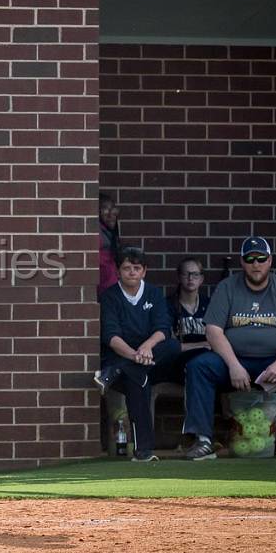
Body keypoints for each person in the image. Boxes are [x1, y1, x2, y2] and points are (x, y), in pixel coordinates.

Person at [183, 237, 276, 460]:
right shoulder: (227, 287)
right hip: (233, 361)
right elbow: (213, 331)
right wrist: (233, 365)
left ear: (270, 261)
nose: (256, 264)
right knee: (199, 366)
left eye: (261, 258)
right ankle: (203, 440)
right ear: (242, 262)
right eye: (250, 259)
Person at [94, 247, 181, 462]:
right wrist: (134, 356)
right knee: (139, 379)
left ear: (144, 271)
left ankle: (115, 372)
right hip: (122, 355)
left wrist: (146, 348)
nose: (131, 272)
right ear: (118, 271)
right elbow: (111, 336)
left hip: (149, 354)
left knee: (172, 346)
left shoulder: (153, 293)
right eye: (126, 268)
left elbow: (163, 329)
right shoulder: (110, 296)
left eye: (136, 268)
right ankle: (143, 452)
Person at [166, 257, 213, 374]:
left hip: (207, 358)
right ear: (179, 277)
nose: (190, 278)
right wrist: (203, 345)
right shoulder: (168, 305)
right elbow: (170, 347)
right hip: (178, 360)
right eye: (186, 274)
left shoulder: (210, 304)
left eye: (195, 274)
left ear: (201, 279)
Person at [98, 192, 121, 296]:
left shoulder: (109, 234)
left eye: (113, 208)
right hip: (104, 292)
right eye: (105, 209)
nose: (111, 213)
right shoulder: (96, 234)